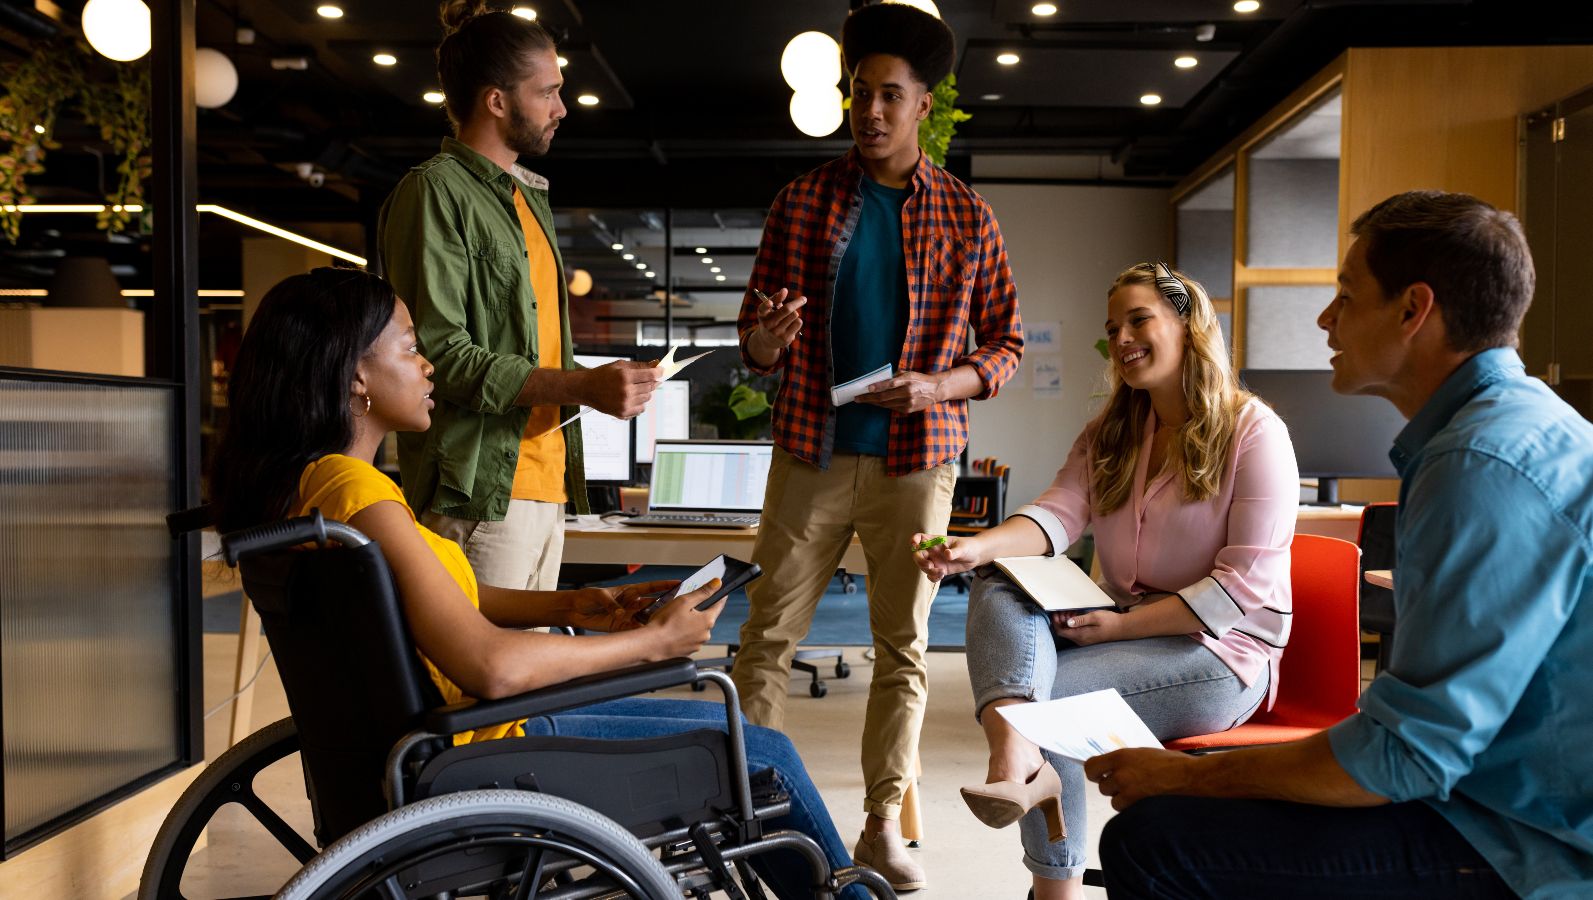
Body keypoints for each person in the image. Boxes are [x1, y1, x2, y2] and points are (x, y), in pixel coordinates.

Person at [208, 267, 866, 900]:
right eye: (410, 348)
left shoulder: (314, 490)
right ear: (356, 376)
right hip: (480, 751)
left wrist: (580, 605)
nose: (427, 364)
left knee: (731, 731)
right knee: (763, 755)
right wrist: (653, 645)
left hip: (433, 741)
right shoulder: (360, 494)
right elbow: (492, 668)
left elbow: (429, 600)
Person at [1084, 191, 1593, 899]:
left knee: (1156, 839)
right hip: (1501, 800)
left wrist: (1191, 774)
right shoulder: (1514, 427)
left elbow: (1405, 757)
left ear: (1413, 310)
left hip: (1528, 843)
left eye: (1346, 296)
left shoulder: (1478, 464)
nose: (1325, 319)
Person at [731, 2, 1024, 890]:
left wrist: (939, 384)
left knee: (901, 647)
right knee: (764, 641)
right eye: (859, 94)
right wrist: (767, 342)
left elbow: (1004, 346)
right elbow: (752, 338)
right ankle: (754, 811)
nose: (870, 112)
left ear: (923, 105)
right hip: (809, 450)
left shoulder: (969, 217)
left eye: (888, 96)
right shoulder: (803, 201)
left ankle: (876, 825)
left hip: (918, 457)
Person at [913, 262, 1299, 900]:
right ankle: (1015, 761)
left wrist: (1119, 626)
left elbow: (1240, 591)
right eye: (1112, 327)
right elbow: (1055, 516)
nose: (1121, 339)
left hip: (1221, 655)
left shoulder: (1254, 433)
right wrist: (974, 548)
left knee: (1049, 702)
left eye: (1138, 320)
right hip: (1121, 634)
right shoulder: (1113, 433)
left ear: (1188, 325)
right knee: (1000, 582)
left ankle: (1050, 884)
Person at [377, 0, 661, 591]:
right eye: (547, 92)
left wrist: (595, 382)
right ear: (497, 100)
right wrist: (583, 385)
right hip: (478, 489)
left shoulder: (526, 200)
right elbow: (441, 356)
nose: (561, 109)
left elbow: (526, 352)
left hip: (543, 483)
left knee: (526, 679)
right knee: (480, 679)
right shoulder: (434, 193)